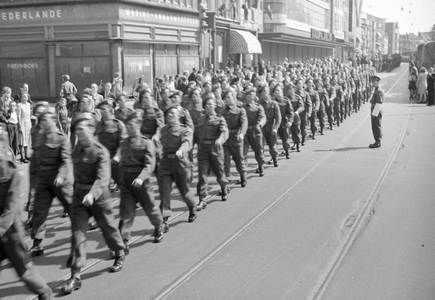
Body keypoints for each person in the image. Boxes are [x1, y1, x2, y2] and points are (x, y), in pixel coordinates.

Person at [60, 115, 126, 295]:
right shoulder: (77, 151)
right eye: (76, 131)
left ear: (91, 129)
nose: (79, 133)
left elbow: (103, 178)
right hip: (79, 197)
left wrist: (92, 194)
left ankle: (119, 252)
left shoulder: (100, 151)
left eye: (82, 130)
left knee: (108, 228)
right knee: (77, 234)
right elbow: (68, 165)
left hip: (99, 197)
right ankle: (75, 275)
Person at [0, 123, 52, 300]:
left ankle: (45, 293)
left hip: (10, 232)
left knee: (24, 270)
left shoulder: (8, 169)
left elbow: (12, 205)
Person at [29, 110, 73, 257]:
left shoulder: (61, 138)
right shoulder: (39, 138)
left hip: (60, 181)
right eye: (42, 122)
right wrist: (34, 181)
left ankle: (80, 234)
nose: (43, 124)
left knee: (73, 208)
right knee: (39, 212)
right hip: (43, 180)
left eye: (46, 120)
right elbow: (35, 161)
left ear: (54, 121)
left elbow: (66, 161)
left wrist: (60, 176)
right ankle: (37, 244)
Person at [118, 111, 164, 250]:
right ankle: (124, 241)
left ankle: (158, 226)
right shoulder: (124, 143)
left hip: (142, 183)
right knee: (126, 213)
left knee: (151, 208)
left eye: (132, 125)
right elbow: (122, 162)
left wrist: (140, 178)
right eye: (128, 125)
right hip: (127, 183)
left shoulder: (147, 143)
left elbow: (149, 165)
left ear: (138, 126)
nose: (129, 128)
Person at [157, 107, 197, 233]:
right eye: (168, 113)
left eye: (172, 113)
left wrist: (182, 150)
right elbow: (157, 135)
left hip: (180, 164)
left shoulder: (185, 130)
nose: (169, 115)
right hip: (165, 164)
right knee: (165, 192)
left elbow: (187, 143)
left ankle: (192, 206)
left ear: (179, 116)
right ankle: (164, 220)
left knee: (184, 192)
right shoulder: (163, 130)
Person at [196, 96, 230, 210]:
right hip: (203, 149)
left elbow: (224, 131)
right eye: (206, 105)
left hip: (215, 148)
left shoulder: (220, 119)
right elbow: (195, 135)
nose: (208, 106)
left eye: (211, 104)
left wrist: (220, 140)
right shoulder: (200, 119)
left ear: (215, 105)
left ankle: (224, 187)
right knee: (202, 175)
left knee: (220, 174)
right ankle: (202, 199)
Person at [95, 100, 127, 193]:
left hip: (115, 158)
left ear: (111, 110)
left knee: (122, 183)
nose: (102, 112)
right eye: (101, 110)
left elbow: (123, 142)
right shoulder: (98, 125)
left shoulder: (119, 124)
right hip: (102, 158)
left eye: (104, 109)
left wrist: (118, 156)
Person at [221, 90, 248, 186]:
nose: (227, 100)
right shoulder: (223, 112)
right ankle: (226, 182)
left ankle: (243, 175)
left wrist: (241, 134)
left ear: (234, 97)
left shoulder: (240, 110)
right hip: (226, 139)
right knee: (225, 161)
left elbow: (244, 123)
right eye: (225, 98)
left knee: (239, 161)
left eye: (229, 97)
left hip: (236, 138)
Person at [242, 87, 266, 175]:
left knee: (258, 151)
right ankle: (243, 173)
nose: (249, 96)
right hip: (245, 132)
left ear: (254, 96)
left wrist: (260, 123)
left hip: (255, 132)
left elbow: (263, 117)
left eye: (251, 94)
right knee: (243, 153)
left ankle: (260, 166)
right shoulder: (242, 107)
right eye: (247, 94)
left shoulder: (258, 107)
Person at [369, 76, 384, 148]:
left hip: (376, 110)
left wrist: (374, 113)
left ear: (377, 82)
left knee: (376, 125)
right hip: (374, 109)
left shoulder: (379, 91)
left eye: (373, 82)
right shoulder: (376, 90)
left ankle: (378, 141)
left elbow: (379, 103)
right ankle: (377, 141)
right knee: (374, 125)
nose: (372, 83)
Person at [17, 93, 32, 163]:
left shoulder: (28, 105)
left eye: (25, 97)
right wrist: (19, 126)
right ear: (21, 98)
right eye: (23, 97)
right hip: (22, 122)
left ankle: (26, 155)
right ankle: (22, 157)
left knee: (27, 140)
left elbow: (29, 115)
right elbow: (18, 116)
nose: (24, 98)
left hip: (28, 122)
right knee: (21, 139)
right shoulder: (19, 105)